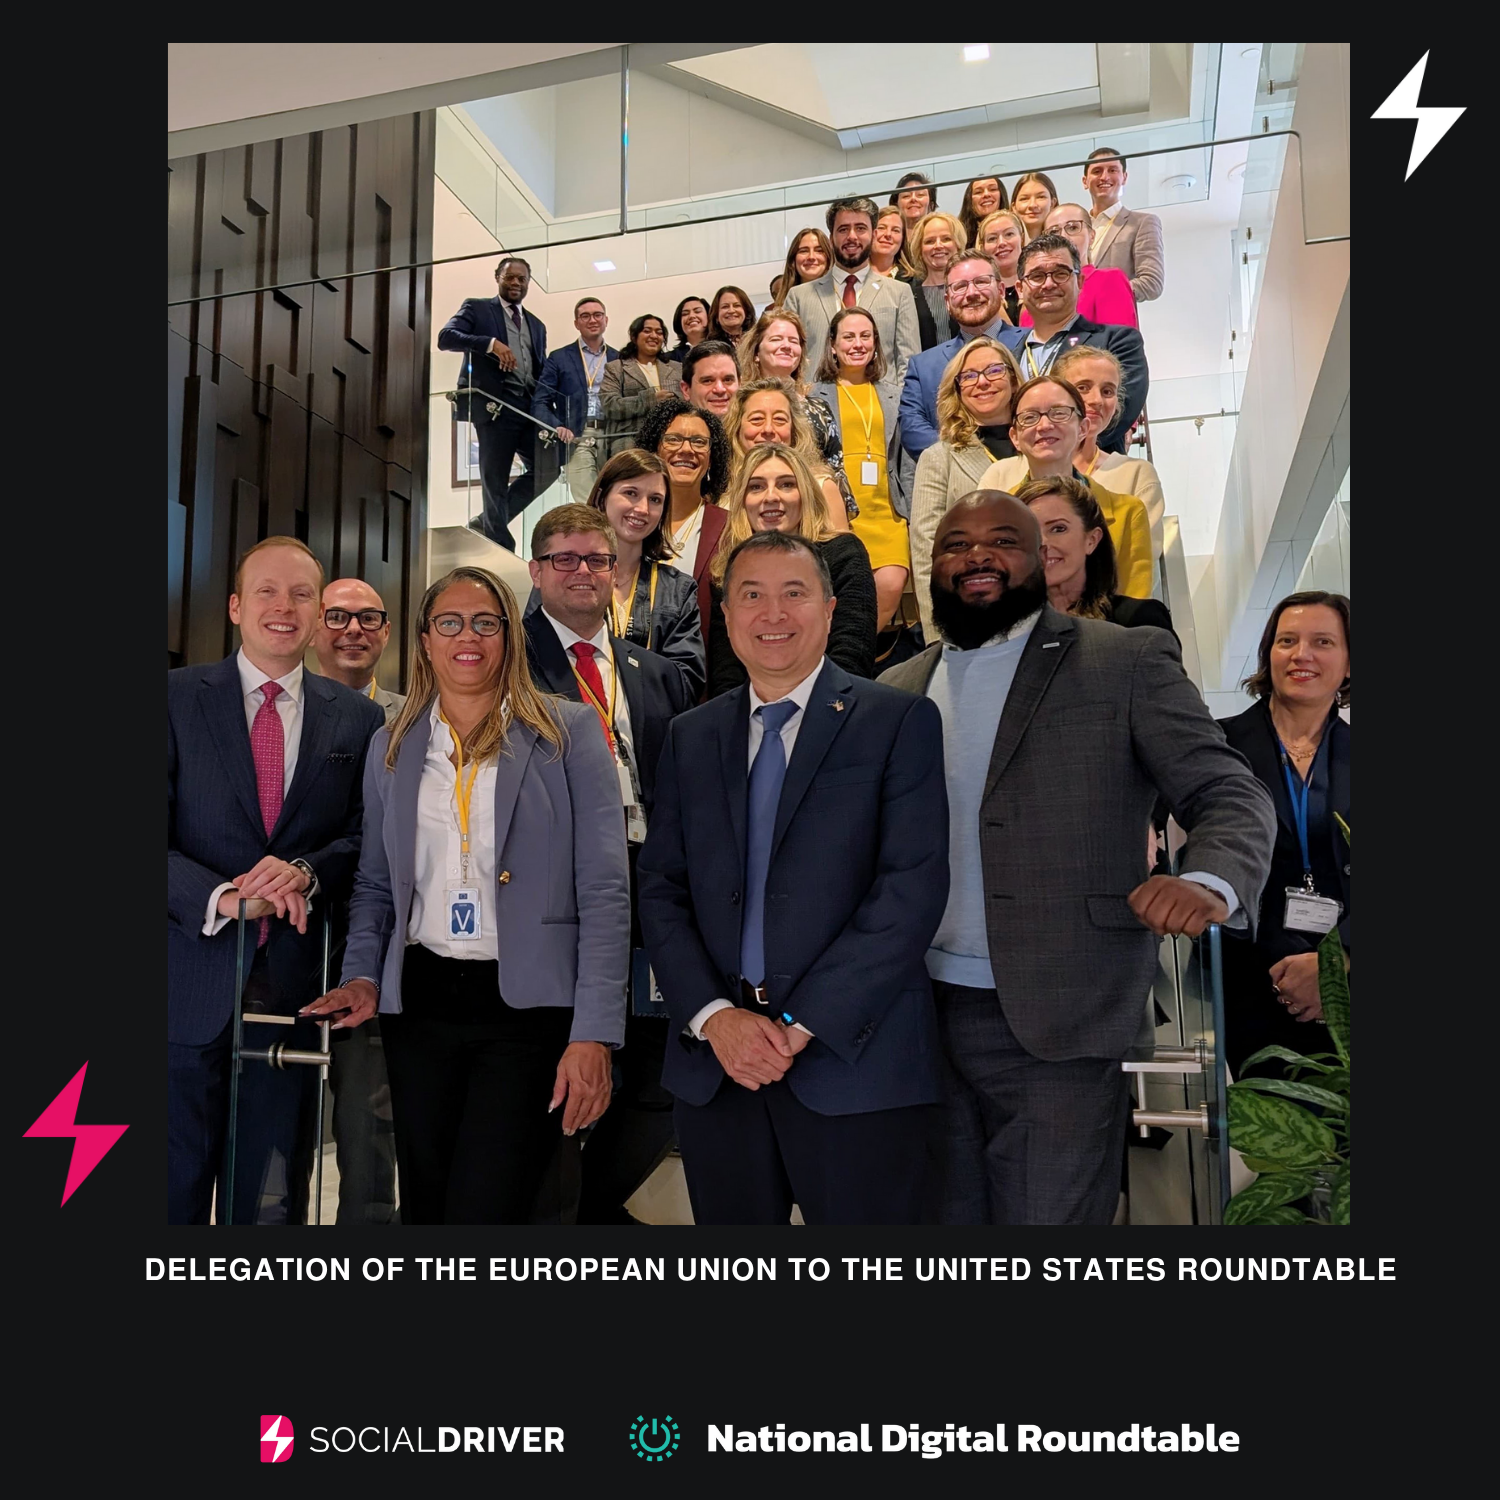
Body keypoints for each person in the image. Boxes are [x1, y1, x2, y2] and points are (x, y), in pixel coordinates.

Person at [879, 492, 1275, 1225]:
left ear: (1045, 557)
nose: (977, 558)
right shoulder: (894, 689)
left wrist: (1209, 878)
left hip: (1062, 1010)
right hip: (914, 1015)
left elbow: (1227, 790)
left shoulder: (1124, 660)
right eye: (956, 545)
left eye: (1003, 541)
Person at [637, 529, 950, 1224]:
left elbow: (910, 888)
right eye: (752, 595)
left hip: (852, 1060)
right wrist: (718, 1020)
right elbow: (661, 889)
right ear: (726, 615)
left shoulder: (897, 721)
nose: (772, 614)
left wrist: (798, 1024)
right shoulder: (692, 736)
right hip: (718, 1068)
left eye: (794, 594)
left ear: (830, 609)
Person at [305, 566, 630, 1224]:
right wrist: (363, 975)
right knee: (426, 1200)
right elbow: (374, 883)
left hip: (527, 1009)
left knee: (489, 1203)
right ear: (424, 640)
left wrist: (594, 1033)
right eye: (449, 623)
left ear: (510, 637)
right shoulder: (391, 747)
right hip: (420, 1003)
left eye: (487, 622)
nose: (468, 637)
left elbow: (604, 892)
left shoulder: (568, 735)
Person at [168, 537, 384, 1225]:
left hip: (292, 989)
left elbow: (365, 838)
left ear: (319, 615)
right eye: (266, 591)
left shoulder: (359, 718)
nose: (283, 608)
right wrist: (219, 896)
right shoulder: (172, 699)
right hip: (182, 980)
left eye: (300, 596)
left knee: (269, 1200)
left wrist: (306, 871)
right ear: (235, 606)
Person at [519, 505, 695, 1223]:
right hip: (559, 892)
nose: (584, 572)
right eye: (565, 559)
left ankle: (592, 1210)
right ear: (536, 572)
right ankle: (550, 1217)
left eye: (597, 560)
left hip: (649, 885)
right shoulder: (506, 663)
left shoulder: (654, 675)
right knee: (559, 1071)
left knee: (661, 1074)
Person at [1218, 593, 1350, 1080]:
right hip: (1252, 975)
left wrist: (1338, 965)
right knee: (1281, 1144)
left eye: (1323, 642)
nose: (1302, 655)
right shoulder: (1217, 745)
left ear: (1348, 660)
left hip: (1348, 976)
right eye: (1287, 640)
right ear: (1267, 654)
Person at [311, 578, 405, 1224]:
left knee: (368, 1123)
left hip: (376, 948)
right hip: (284, 942)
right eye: (338, 616)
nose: (353, 629)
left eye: (368, 618)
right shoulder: (286, 713)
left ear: (387, 632)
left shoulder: (414, 717)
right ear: (317, 627)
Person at [706, 444, 878, 695]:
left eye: (786, 484)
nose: (771, 496)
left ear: (805, 494)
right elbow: (726, 675)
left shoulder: (843, 554)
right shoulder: (726, 570)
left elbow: (852, 656)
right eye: (756, 486)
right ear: (743, 500)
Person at [978, 374, 1154, 598]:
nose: (1044, 425)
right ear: (1015, 437)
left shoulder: (1127, 513)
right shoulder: (994, 517)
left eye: (1059, 413)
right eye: (1030, 417)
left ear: (1082, 428)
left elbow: (1133, 606)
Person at [908, 338, 1023, 642]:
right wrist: (939, 636)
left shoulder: (1040, 448)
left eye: (994, 371)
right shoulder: (939, 458)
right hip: (971, 619)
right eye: (969, 376)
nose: (982, 382)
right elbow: (925, 552)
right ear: (957, 389)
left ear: (1013, 378)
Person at [808, 309, 910, 642]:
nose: (858, 344)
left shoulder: (893, 393)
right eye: (848, 337)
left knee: (891, 585)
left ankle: (853, 654)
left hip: (886, 512)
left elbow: (903, 457)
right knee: (845, 595)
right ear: (833, 346)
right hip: (841, 512)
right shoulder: (815, 395)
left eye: (865, 336)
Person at [437, 257, 549, 549]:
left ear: (528, 283)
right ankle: (498, 538)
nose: (515, 283)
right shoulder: (477, 307)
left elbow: (540, 368)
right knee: (495, 476)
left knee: (548, 467)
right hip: (495, 406)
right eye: (510, 277)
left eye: (521, 279)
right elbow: (446, 337)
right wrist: (490, 343)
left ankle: (487, 522)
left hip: (527, 408)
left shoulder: (537, 324)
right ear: (498, 277)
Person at [1009, 231, 1148, 454]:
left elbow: (1118, 414)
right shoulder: (1007, 354)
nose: (1048, 284)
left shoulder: (1116, 341)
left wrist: (1055, 455)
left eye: (1061, 273)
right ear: (1020, 289)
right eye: (1036, 276)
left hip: (1093, 477)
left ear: (1080, 281)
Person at [584, 449, 705, 701]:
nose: (642, 509)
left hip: (651, 733)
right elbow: (536, 662)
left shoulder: (678, 590)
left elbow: (687, 683)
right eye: (631, 493)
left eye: (655, 500)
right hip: (574, 730)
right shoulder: (566, 574)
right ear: (601, 497)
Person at [898, 252, 1027, 463]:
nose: (971, 293)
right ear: (947, 301)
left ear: (1001, 291)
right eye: (960, 287)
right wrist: (969, 460)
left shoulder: (1031, 344)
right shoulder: (923, 366)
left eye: (981, 282)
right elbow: (913, 431)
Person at [782, 196, 920, 384]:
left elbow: (908, 363)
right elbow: (786, 365)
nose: (852, 236)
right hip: (817, 408)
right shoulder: (799, 297)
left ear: (873, 234)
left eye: (860, 228)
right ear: (831, 238)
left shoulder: (899, 292)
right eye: (843, 229)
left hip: (880, 408)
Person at [1013, 474, 1172, 630]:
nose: (1043, 542)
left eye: (1058, 529)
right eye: (1029, 531)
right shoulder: (998, 630)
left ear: (1092, 540)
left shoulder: (1138, 621)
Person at [1051, 346, 1165, 559]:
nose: (1096, 400)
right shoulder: (1007, 472)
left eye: (1107, 391)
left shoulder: (1136, 475)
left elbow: (1140, 559)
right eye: (1083, 387)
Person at [636, 395, 733, 644]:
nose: (686, 449)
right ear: (654, 448)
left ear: (712, 457)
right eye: (673, 439)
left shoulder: (731, 528)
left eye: (699, 442)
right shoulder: (630, 522)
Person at [738, 307, 848, 507]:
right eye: (776, 339)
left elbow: (837, 469)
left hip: (815, 509)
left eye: (793, 341)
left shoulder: (819, 409)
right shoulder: (738, 403)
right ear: (756, 352)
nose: (786, 346)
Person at [726, 376, 849, 531]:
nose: (768, 429)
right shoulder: (721, 488)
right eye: (757, 419)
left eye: (779, 419)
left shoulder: (822, 487)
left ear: (794, 429)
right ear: (737, 427)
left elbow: (842, 551)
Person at [532, 296, 621, 501]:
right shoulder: (559, 358)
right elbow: (540, 402)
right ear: (576, 323)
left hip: (613, 435)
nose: (592, 320)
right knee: (587, 501)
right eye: (585, 316)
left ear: (606, 320)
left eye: (597, 315)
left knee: (616, 499)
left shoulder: (619, 358)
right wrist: (557, 426)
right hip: (577, 435)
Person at [1032, 203, 1136, 329]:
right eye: (1054, 231)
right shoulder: (1036, 290)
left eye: (1073, 228)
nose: (1063, 236)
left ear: (1091, 236)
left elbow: (1120, 343)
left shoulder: (1109, 280)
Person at [1084, 146, 1165, 303]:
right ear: (1085, 181)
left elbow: (1152, 282)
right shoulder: (1075, 227)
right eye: (1097, 171)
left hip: (1114, 322)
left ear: (1124, 177)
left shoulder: (1142, 223)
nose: (1104, 177)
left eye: (1113, 170)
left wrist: (1100, 294)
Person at [599, 313, 675, 459]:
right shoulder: (616, 368)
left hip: (671, 437)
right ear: (634, 337)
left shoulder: (677, 368)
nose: (654, 335)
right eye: (647, 331)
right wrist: (650, 400)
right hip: (629, 439)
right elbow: (610, 405)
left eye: (659, 332)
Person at [901, 211, 968, 349]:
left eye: (946, 239)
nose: (938, 245)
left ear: (958, 244)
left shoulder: (974, 288)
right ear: (920, 249)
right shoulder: (907, 295)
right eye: (929, 241)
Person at [976, 209, 1027, 325]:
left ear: (1022, 239)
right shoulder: (978, 293)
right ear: (983, 247)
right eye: (992, 238)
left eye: (1009, 234)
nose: (1001, 243)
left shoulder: (1040, 283)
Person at [677, 339, 740, 422]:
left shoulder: (759, 431)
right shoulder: (670, 434)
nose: (720, 389)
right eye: (707, 381)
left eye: (728, 380)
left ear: (740, 384)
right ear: (686, 390)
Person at [772, 228, 833, 308]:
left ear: (829, 258)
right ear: (793, 260)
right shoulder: (783, 308)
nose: (811, 257)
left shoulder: (841, 294)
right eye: (804, 251)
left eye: (819, 250)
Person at [958, 176, 1007, 247]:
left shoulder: (1014, 229)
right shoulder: (961, 237)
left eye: (992, 189)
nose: (986, 194)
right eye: (978, 192)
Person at [1010, 170, 1059, 241]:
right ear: (1014, 207)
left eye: (1041, 197)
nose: (1032, 205)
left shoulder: (1064, 244)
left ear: (1053, 203)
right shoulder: (1006, 247)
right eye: (1024, 199)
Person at [890, 171, 934, 242]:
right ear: (896, 204)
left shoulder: (938, 236)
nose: (913, 199)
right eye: (906, 196)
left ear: (931, 205)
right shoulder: (889, 239)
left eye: (920, 195)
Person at [669, 295, 712, 361]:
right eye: (685, 314)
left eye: (697, 311)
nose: (691, 316)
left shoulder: (724, 350)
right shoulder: (669, 359)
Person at [870, 205, 907, 278]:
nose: (888, 234)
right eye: (881, 228)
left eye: (895, 230)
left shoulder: (914, 282)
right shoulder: (851, 273)